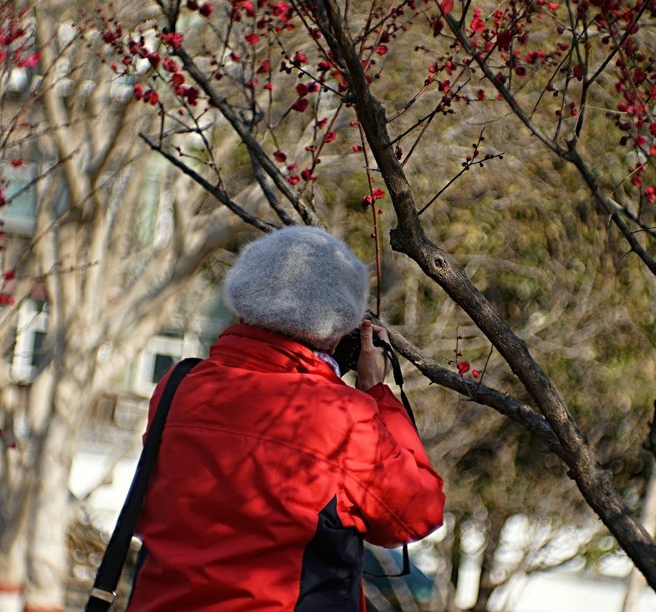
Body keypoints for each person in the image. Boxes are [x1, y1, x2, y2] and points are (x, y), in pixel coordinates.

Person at [126, 226, 446, 611]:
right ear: (338, 331)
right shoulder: (342, 416)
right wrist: (376, 392)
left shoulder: (179, 386)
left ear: (244, 304)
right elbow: (417, 514)